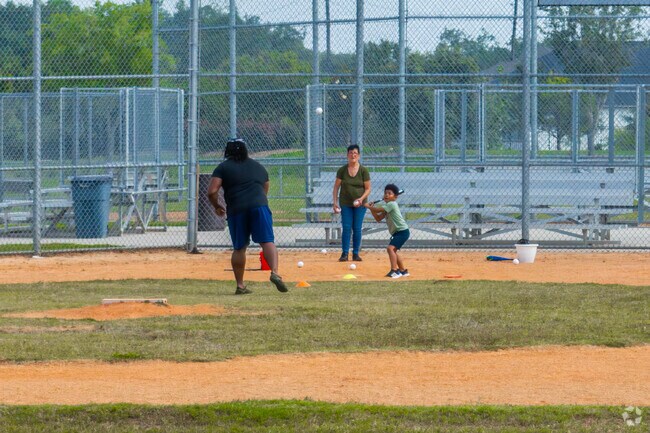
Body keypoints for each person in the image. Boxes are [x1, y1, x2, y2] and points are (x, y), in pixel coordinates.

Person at [207, 138, 289, 295]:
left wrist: (217, 206)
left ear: (227, 151)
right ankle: (275, 272)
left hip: (237, 210)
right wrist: (258, 202)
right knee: (267, 241)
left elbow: (211, 191)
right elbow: (265, 187)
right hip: (259, 206)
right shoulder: (258, 166)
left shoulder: (223, 168)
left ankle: (240, 285)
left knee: (239, 247)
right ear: (246, 150)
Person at [332, 144, 371, 262]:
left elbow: (368, 188)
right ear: (347, 155)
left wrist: (361, 199)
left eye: (355, 153)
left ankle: (356, 253)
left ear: (358, 155)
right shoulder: (342, 170)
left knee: (357, 228)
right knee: (347, 227)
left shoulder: (363, 170)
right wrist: (335, 203)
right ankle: (344, 253)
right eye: (350, 153)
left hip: (360, 204)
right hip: (346, 203)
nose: (353, 155)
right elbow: (336, 188)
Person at [364, 184, 410, 278]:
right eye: (385, 193)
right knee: (394, 251)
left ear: (395, 197)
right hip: (398, 232)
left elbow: (377, 210)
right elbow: (378, 218)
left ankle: (394, 271)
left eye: (390, 193)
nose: (386, 195)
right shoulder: (387, 206)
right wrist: (372, 209)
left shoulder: (392, 204)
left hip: (402, 231)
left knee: (390, 249)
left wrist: (368, 206)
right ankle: (403, 271)